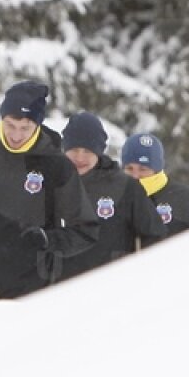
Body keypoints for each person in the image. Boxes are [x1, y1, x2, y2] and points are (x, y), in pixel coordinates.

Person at [0, 81, 97, 303]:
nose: (16, 135)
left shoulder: (55, 165)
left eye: (25, 127)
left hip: (33, 286)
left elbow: (85, 230)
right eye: (10, 125)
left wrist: (47, 240)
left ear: (38, 125)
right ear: (1, 118)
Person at [57, 112, 166, 281]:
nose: (79, 157)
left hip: (112, 289)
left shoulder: (125, 186)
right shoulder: (50, 185)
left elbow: (155, 236)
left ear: (99, 151)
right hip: (57, 292)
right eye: (74, 150)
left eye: (87, 150)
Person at [121, 132, 189, 237]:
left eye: (143, 169)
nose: (135, 176)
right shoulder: (113, 197)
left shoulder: (186, 200)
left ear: (157, 170)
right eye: (129, 169)